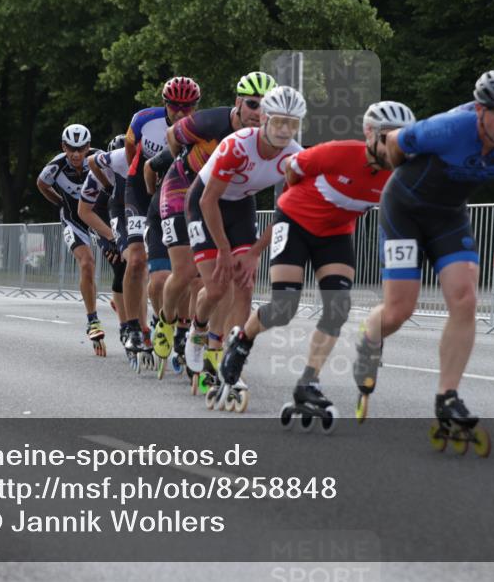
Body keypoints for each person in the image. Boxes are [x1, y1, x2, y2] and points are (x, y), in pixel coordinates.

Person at [351, 69, 494, 452]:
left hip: (448, 216)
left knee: (465, 296)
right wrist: (395, 165)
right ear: (480, 110)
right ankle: (371, 335)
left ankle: (447, 397)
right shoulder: (448, 128)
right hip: (403, 210)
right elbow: (394, 141)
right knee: (400, 309)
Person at [219, 101, 415, 432]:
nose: (395, 147)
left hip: (336, 233)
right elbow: (292, 169)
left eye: (403, 140)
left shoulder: (400, 175)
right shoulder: (340, 152)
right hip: (294, 221)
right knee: (284, 307)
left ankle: (308, 382)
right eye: (387, 138)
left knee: (338, 307)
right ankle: (242, 340)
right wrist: (301, 199)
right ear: (369, 135)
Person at [184, 85, 306, 411]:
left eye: (291, 124)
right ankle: (197, 328)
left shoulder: (294, 156)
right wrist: (224, 251)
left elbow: (288, 210)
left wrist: (254, 253)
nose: (284, 130)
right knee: (216, 286)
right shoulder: (236, 146)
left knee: (245, 284)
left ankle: (232, 361)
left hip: (240, 207)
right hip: (204, 203)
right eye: (278, 121)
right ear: (264, 118)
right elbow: (208, 200)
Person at [152, 71, 277, 381]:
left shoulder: (273, 134)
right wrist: (184, 158)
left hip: (234, 200)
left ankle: (222, 350)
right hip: (187, 190)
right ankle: (166, 319)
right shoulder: (210, 122)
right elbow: (173, 136)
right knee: (183, 272)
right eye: (252, 104)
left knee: (243, 282)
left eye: (267, 107)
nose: (258, 113)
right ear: (237, 103)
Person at [120, 77, 200, 366]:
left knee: (180, 270)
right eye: (174, 106)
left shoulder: (199, 126)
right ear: (165, 103)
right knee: (136, 258)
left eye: (187, 107)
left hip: (175, 191)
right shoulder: (144, 119)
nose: (180, 112)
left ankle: (175, 325)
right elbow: (132, 151)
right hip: (141, 188)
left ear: (195, 106)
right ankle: (132, 327)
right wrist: (144, 181)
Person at [36, 124, 110, 355]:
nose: (76, 154)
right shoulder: (55, 166)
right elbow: (41, 185)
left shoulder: (99, 159)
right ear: (63, 146)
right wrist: (59, 202)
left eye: (81, 148)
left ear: (88, 147)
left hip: (97, 217)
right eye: (70, 148)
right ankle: (93, 319)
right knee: (87, 263)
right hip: (72, 220)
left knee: (123, 262)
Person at [81, 136, 131, 352]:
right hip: (100, 221)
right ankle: (124, 325)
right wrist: (111, 239)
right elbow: (86, 212)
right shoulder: (98, 176)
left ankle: (123, 301)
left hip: (124, 216)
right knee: (121, 263)